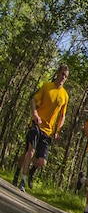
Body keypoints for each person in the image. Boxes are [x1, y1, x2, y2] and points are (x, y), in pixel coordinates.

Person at [13, 64, 70, 192]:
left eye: (65, 76)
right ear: (57, 73)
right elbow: (33, 100)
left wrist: (57, 130)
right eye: (62, 74)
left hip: (48, 131)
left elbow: (62, 115)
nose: (63, 77)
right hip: (36, 125)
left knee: (41, 161)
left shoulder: (65, 96)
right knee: (30, 151)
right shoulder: (47, 86)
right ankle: (22, 179)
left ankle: (30, 171)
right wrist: (35, 114)